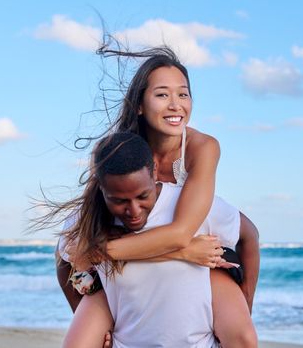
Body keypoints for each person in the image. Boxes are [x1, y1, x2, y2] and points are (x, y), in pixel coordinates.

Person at [57, 44, 260, 347]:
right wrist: (93, 316)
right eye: (162, 95)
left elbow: (183, 233)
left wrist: (244, 304)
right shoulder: (121, 153)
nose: (176, 104)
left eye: (183, 94)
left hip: (191, 230)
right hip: (144, 246)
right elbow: (75, 242)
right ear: (139, 104)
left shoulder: (202, 147)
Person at [62, 132, 257, 348]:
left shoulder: (188, 205)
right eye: (119, 201)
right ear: (100, 186)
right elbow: (64, 261)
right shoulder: (90, 218)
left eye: (143, 196)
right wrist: (91, 321)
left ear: (154, 171)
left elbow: (249, 235)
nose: (133, 211)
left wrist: (246, 305)